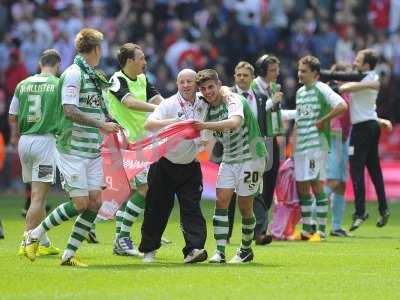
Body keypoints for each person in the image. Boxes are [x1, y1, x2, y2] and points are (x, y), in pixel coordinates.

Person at [23, 28, 120, 267]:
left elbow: (94, 109)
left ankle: (68, 255)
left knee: (95, 203)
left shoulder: (93, 76)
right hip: (72, 148)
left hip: (91, 149)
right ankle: (33, 234)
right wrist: (101, 124)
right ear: (96, 49)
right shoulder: (74, 73)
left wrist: (109, 122)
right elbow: (69, 110)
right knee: (80, 204)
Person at [194, 69, 267, 263]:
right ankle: (219, 252)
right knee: (221, 200)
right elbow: (204, 143)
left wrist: (205, 126)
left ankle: (245, 250)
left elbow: (234, 123)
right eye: (203, 88)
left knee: (244, 205)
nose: (208, 91)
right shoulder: (207, 109)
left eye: (211, 87)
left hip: (252, 156)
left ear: (219, 85)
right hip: (229, 158)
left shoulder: (232, 99)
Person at [138, 69, 209, 263]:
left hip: (190, 166)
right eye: (182, 82)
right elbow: (149, 124)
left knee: (192, 208)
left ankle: (193, 250)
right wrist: (174, 122)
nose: (186, 85)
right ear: (177, 84)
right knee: (156, 209)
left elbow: (223, 90)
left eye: (189, 81)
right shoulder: (168, 104)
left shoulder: (205, 102)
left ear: (196, 83)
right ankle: (149, 251)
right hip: (164, 164)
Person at [107, 43, 163, 256]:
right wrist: (158, 109)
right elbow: (129, 103)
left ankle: (120, 239)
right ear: (129, 61)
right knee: (145, 188)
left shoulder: (142, 79)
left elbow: (158, 98)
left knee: (132, 191)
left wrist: (173, 108)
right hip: (126, 144)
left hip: (142, 143)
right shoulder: (116, 80)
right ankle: (122, 238)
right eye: (141, 58)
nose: (144, 61)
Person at [285, 55, 347, 241]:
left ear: (315, 73)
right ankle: (307, 229)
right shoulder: (300, 92)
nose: (300, 74)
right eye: (299, 70)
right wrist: (293, 145)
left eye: (304, 71)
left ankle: (320, 230)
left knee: (316, 184)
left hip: (317, 145)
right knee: (303, 186)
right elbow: (300, 119)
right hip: (302, 146)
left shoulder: (322, 88)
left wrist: (323, 120)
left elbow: (342, 105)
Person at [9, 49, 62, 256]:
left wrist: (15, 136)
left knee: (34, 193)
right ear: (57, 65)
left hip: (25, 141)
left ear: (40, 64)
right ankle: (26, 241)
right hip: (45, 142)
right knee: (38, 198)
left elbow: (13, 115)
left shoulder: (23, 84)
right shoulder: (57, 85)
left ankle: (45, 243)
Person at [339, 49, 390, 231]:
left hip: (362, 129)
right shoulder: (365, 77)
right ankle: (383, 208)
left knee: (356, 169)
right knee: (374, 170)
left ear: (367, 64)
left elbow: (346, 88)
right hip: (370, 125)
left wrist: (344, 83)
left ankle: (360, 212)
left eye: (358, 60)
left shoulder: (370, 78)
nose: (355, 62)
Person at [251, 55, 285, 244]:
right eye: (273, 70)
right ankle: (256, 229)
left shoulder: (274, 88)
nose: (277, 73)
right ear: (263, 70)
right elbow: (254, 112)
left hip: (273, 139)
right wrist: (272, 102)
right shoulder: (254, 87)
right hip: (257, 140)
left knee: (270, 184)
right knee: (256, 183)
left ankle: (261, 229)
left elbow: (276, 114)